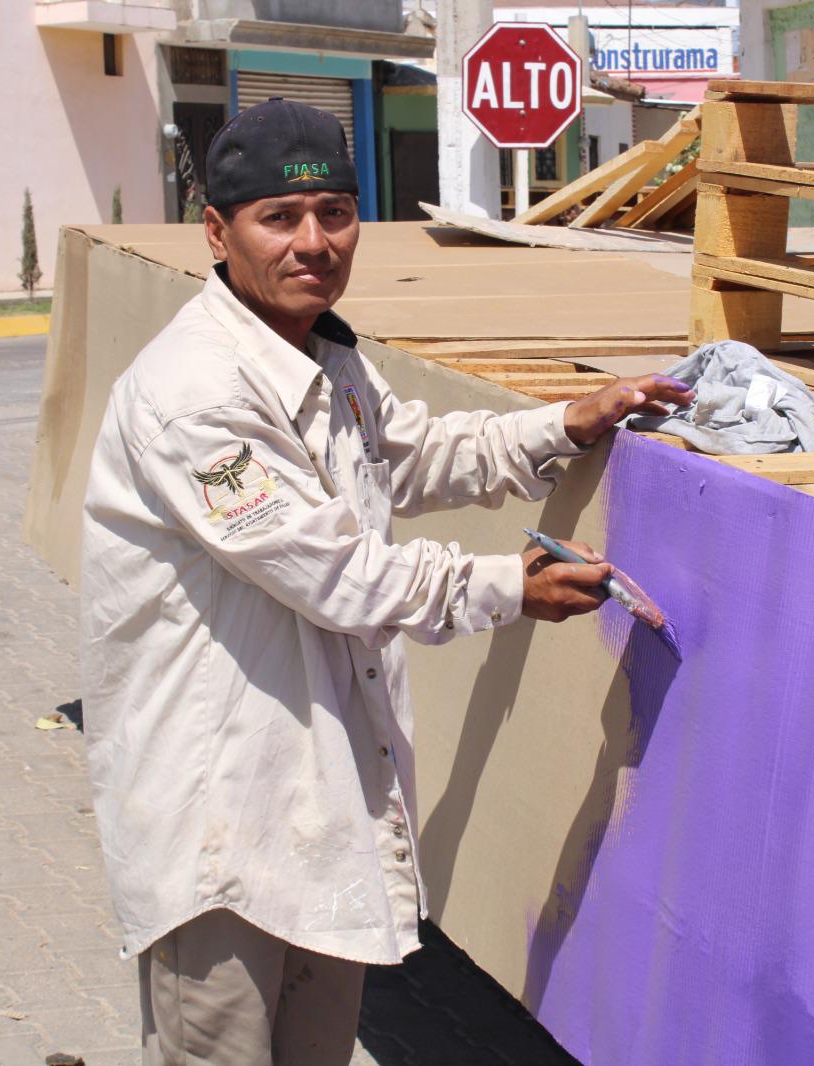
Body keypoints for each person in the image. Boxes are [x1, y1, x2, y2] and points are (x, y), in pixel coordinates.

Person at [79, 98, 693, 1066]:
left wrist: (565, 422)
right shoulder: (193, 396)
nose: (314, 242)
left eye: (334, 213)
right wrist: (509, 586)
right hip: (220, 820)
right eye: (279, 219)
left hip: (314, 802)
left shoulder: (321, 357)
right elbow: (333, 573)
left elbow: (407, 453)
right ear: (218, 232)